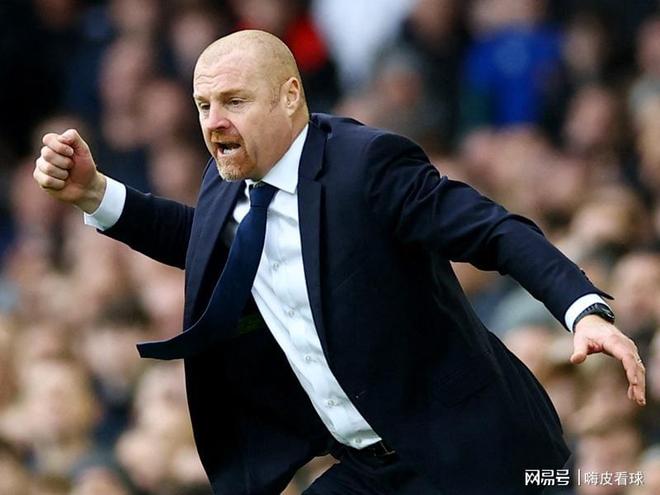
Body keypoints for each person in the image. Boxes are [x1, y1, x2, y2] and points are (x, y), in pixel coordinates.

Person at [33, 30, 646, 495]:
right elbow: (201, 241)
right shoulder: (227, 176)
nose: (214, 123)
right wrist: (95, 193)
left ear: (290, 96)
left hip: (472, 453)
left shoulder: (367, 165)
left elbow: (492, 231)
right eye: (203, 105)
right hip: (366, 467)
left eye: (233, 101)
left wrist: (582, 310)